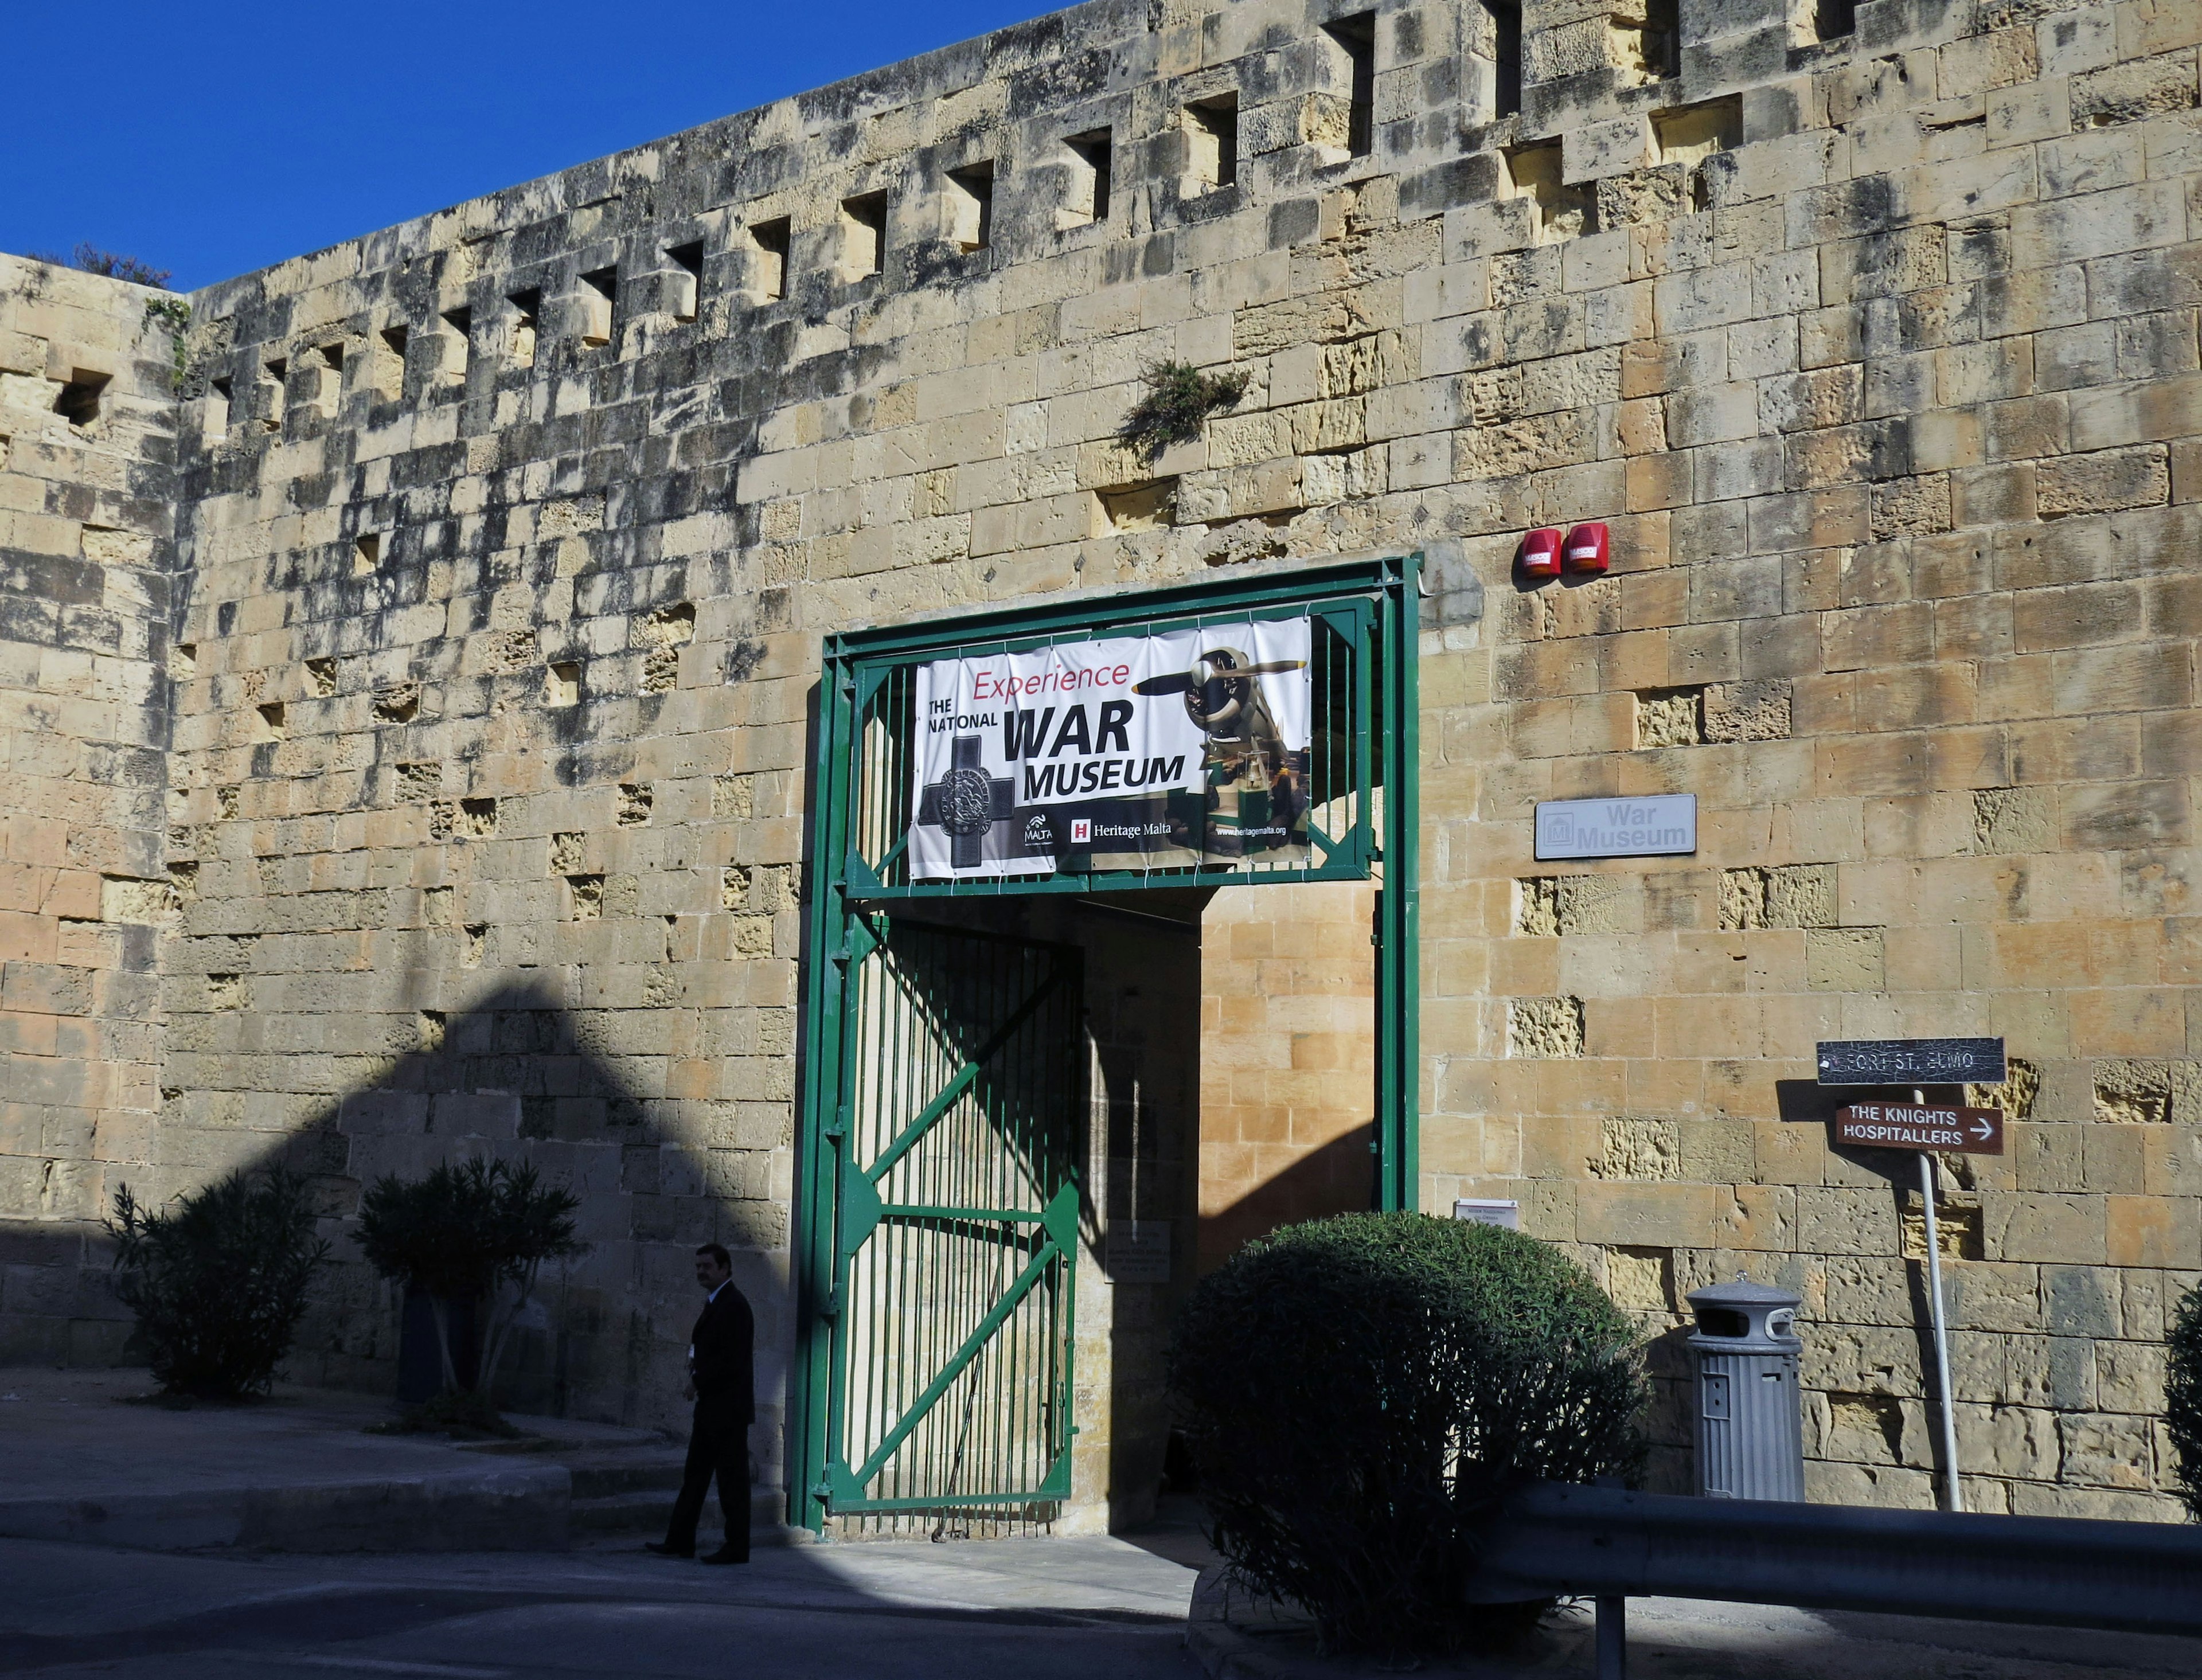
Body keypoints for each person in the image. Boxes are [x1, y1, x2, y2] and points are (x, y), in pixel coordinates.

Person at [646, 1243, 754, 1564]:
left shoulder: (733, 1305)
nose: (700, 1272)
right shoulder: (716, 1303)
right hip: (712, 1409)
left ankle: (736, 1547)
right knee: (695, 1476)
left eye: (707, 1266)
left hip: (727, 1410)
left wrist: (698, 1380)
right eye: (698, 1267)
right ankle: (680, 1540)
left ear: (724, 1268)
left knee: (731, 1481)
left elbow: (730, 1360)